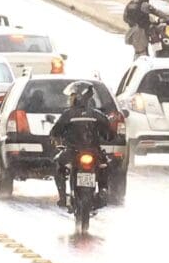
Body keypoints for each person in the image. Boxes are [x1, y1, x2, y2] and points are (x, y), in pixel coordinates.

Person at [49, 78, 122, 207]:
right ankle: (103, 190)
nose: (70, 99)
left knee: (58, 164)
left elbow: (55, 132)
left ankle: (62, 197)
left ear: (78, 96)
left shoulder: (68, 114)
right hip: (95, 152)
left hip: (72, 152)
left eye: (72, 96)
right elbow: (110, 135)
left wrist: (56, 139)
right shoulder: (97, 115)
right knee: (105, 166)